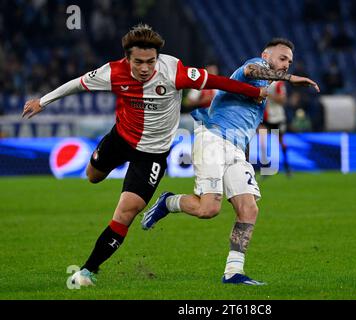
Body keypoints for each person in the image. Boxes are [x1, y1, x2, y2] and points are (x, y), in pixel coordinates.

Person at [21, 24, 267, 287]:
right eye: (138, 62)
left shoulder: (174, 71)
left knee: (127, 211)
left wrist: (255, 92)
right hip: (120, 139)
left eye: (150, 61)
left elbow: (218, 81)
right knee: (92, 176)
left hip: (152, 155)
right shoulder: (112, 72)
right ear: (127, 58)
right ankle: (100, 171)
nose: (145, 68)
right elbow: (77, 84)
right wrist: (42, 101)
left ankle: (87, 271)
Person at [141, 38, 320, 285]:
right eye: (282, 58)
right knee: (209, 209)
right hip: (213, 138)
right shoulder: (254, 67)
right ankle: (168, 201)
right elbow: (251, 70)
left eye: (289, 61)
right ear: (266, 56)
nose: (286, 64)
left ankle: (233, 272)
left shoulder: (265, 89)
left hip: (235, 149)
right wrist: (289, 79)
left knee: (249, 208)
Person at [259, 80, 291, 176]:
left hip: (277, 117)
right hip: (266, 116)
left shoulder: (278, 84)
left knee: (281, 142)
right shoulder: (262, 83)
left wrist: (268, 94)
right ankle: (265, 168)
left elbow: (283, 100)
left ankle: (287, 167)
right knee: (262, 142)